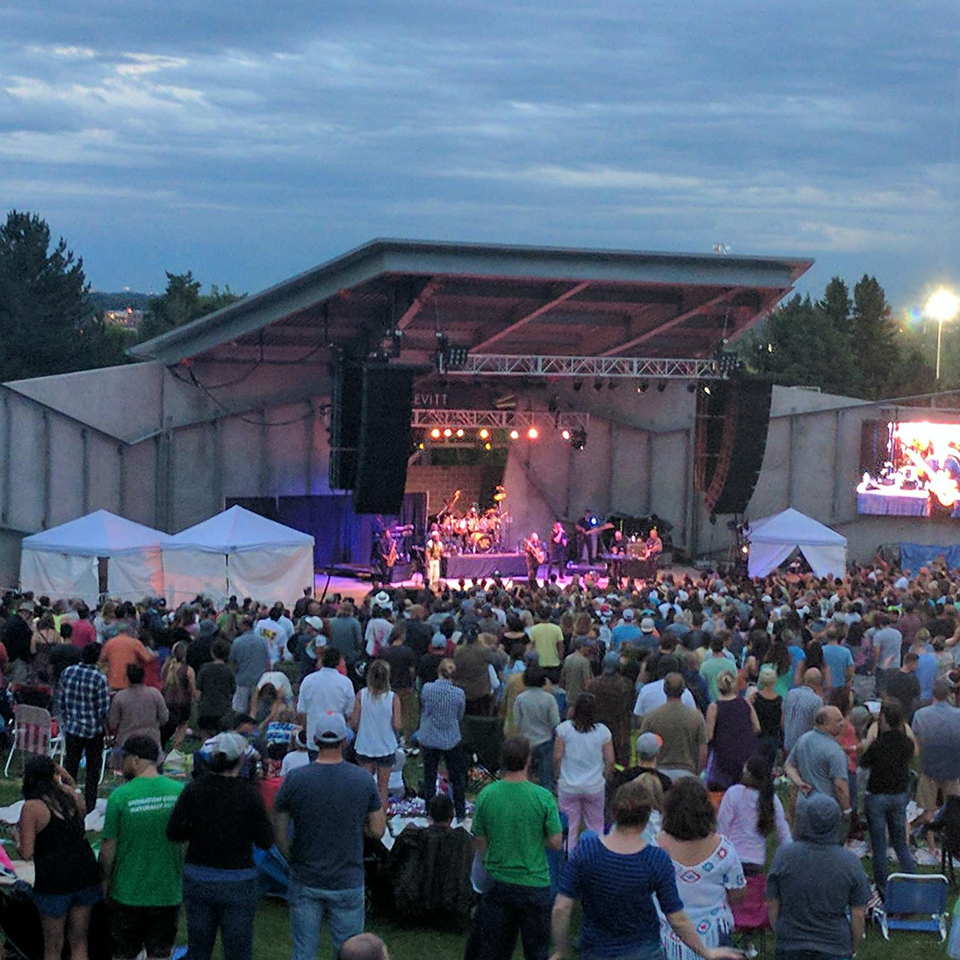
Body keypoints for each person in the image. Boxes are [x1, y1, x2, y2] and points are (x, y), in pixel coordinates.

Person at [552, 779, 742, 960]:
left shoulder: (587, 850)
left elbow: (561, 906)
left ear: (614, 811)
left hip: (598, 951)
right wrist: (705, 953)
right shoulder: (655, 859)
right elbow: (677, 918)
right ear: (648, 815)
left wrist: (561, 949)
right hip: (645, 951)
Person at [273, 711, 386, 959]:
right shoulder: (362, 779)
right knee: (350, 953)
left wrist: (291, 855)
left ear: (314, 740)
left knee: (303, 951)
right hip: (347, 878)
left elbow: (279, 830)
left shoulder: (295, 779)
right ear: (344, 741)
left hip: (306, 876)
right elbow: (378, 830)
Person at [166, 731, 275, 960]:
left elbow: (174, 832)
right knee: (238, 951)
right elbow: (266, 839)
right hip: (238, 879)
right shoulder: (249, 794)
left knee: (199, 950)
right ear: (241, 760)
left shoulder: (194, 789)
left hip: (199, 876)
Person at [471, 736, 563, 960]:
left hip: (498, 881)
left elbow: (479, 838)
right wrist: (533, 839)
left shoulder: (487, 795)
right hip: (534, 883)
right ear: (529, 760)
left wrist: (491, 858)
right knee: (537, 951)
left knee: (494, 950)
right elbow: (556, 841)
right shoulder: (543, 797)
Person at [100, 736, 184, 960]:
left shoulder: (120, 797)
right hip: (167, 892)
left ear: (136, 760)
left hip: (127, 892)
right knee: (160, 954)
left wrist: (105, 881)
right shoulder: (178, 792)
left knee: (123, 954)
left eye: (124, 758)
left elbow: (108, 847)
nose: (122, 764)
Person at [765, 794, 870, 960]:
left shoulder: (784, 856)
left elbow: (772, 903)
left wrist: (782, 933)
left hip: (791, 945)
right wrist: (853, 946)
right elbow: (858, 914)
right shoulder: (850, 863)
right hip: (835, 947)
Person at [16, 756, 101, 960]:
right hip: (85, 873)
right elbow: (82, 811)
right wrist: (69, 779)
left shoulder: (33, 807)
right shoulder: (71, 796)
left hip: (54, 880)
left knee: (53, 946)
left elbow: (26, 852)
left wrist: (17, 837)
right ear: (54, 776)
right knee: (79, 943)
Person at [657, 777, 745, 960]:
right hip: (714, 934)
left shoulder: (654, 848)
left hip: (666, 935)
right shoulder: (724, 850)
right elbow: (737, 896)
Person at [859, 700, 917, 898]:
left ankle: (883, 887)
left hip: (877, 796)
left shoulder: (878, 745)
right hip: (899, 796)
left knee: (879, 845)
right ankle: (912, 880)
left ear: (883, 718)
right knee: (900, 842)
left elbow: (864, 763)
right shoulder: (906, 744)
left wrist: (867, 744)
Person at [56, 642, 110, 817]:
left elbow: (61, 700)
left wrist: (67, 718)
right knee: (92, 771)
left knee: (70, 766)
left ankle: (66, 799)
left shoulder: (68, 672)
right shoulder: (99, 678)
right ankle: (90, 804)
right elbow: (103, 709)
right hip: (93, 730)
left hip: (72, 728)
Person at [553, 692, 613, 849]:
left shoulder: (563, 729)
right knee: (596, 825)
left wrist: (558, 777)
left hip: (568, 786)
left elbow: (558, 757)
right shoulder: (603, 732)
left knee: (569, 827)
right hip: (594, 786)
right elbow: (610, 760)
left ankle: (569, 858)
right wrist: (604, 778)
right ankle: (597, 856)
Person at [716, 755, 790, 874]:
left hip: (732, 859)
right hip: (757, 862)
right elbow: (784, 834)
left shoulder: (734, 793)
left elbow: (722, 826)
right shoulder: (771, 799)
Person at [911, 678, 960, 854]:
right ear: (949, 694)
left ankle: (931, 848)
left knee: (928, 810)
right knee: (954, 810)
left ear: (933, 694)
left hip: (929, 767)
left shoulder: (921, 715)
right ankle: (952, 846)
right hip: (954, 769)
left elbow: (916, 744)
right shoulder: (958, 715)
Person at [785, 706, 850, 836]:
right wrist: (847, 810)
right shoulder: (834, 751)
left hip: (804, 805)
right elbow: (840, 785)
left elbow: (789, 765)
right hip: (826, 810)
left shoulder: (803, 740)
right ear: (825, 724)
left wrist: (799, 783)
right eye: (838, 721)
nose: (842, 724)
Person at [419, 658, 467, 822]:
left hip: (430, 737)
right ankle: (460, 811)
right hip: (450, 738)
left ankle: (429, 812)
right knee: (456, 777)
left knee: (429, 776)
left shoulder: (427, 689)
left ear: (438, 671)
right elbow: (460, 716)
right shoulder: (459, 693)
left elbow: (424, 708)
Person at [351, 659, 401, 811]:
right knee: (382, 789)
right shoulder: (393, 698)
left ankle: (366, 818)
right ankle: (381, 821)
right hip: (386, 746)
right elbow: (397, 724)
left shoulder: (361, 695)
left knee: (366, 786)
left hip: (365, 745)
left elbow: (354, 722)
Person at [640, 673, 708, 782]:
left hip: (658, 773)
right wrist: (696, 773)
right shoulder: (696, 717)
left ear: (664, 689)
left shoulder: (651, 717)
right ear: (683, 689)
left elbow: (643, 746)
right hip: (687, 773)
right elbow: (703, 751)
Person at [705, 671, 760, 790]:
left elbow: (708, 735)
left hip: (723, 757)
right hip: (745, 754)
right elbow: (756, 727)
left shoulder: (714, 707)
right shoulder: (745, 703)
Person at [297, 645, 356, 748]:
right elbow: (349, 713)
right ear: (338, 662)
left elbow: (301, 711)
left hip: (314, 737)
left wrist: (307, 729)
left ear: (322, 660)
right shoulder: (345, 683)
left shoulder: (308, 681)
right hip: (337, 737)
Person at [513, 665, 561, 792]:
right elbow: (556, 722)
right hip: (545, 742)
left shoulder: (520, 699)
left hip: (526, 743)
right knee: (546, 780)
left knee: (525, 779)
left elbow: (516, 722)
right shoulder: (549, 699)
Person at [109, 663, 169, 760]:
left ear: (127, 678)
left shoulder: (120, 697)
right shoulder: (155, 694)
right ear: (143, 677)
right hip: (151, 742)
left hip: (127, 745)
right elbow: (164, 718)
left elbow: (113, 723)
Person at [588, 653, 634, 767]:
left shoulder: (593, 684)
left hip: (597, 726)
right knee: (621, 762)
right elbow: (630, 705)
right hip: (620, 729)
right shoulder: (626, 684)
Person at [380, 628, 417, 738]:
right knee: (406, 713)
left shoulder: (385, 651)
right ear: (401, 636)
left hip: (389, 685)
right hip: (405, 685)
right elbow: (412, 670)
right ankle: (406, 737)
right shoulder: (408, 651)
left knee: (389, 712)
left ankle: (388, 734)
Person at [229, 616, 271, 713]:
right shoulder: (262, 641)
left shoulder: (237, 642)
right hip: (259, 680)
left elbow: (232, 662)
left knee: (239, 708)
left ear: (244, 626)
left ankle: (239, 726)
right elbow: (267, 661)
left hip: (242, 679)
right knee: (256, 709)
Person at [196, 638, 236, 739]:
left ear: (212, 653)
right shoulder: (229, 671)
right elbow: (233, 689)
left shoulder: (204, 669)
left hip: (206, 708)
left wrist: (198, 705)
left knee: (205, 736)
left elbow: (198, 689)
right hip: (223, 710)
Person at [160, 639, 196, 749]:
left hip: (167, 701)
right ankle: (176, 749)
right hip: (182, 703)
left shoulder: (166, 667)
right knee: (182, 725)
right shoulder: (188, 670)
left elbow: (162, 681)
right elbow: (192, 689)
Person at [99, 623, 156, 691]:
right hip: (129, 682)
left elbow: (102, 659)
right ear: (130, 632)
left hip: (113, 681)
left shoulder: (109, 643)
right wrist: (156, 654)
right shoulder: (135, 643)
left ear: (118, 632)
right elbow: (147, 658)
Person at [748, 664, 783, 767]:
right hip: (773, 739)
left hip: (758, 739)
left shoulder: (754, 698)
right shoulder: (780, 700)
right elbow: (782, 723)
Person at [782, 667, 823, 754]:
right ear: (818, 682)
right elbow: (817, 726)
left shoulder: (790, 693)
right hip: (805, 747)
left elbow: (783, 719)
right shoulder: (817, 701)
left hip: (787, 743)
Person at [528, 607, 564, 683]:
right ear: (550, 616)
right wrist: (561, 658)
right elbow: (560, 646)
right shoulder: (557, 629)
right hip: (554, 662)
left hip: (539, 663)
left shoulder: (534, 629)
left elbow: (531, 646)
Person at [698, 636, 737, 703]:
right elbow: (735, 683)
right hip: (728, 701)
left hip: (711, 701)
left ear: (711, 647)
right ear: (723, 646)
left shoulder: (704, 666)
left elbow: (701, 686)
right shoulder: (731, 665)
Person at [560, 639, 593, 715]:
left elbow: (563, 678)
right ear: (582, 647)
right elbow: (587, 683)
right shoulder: (584, 662)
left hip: (569, 697)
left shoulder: (567, 659)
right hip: (580, 699)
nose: (589, 648)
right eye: (587, 646)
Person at [885, 651, 921, 720]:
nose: (918, 665)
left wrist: (887, 662)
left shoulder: (891, 673)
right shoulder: (913, 680)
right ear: (911, 664)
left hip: (890, 708)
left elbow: (884, 671)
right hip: (904, 711)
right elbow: (917, 696)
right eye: (916, 663)